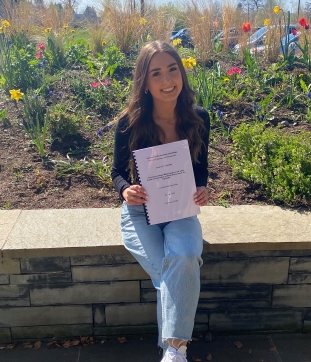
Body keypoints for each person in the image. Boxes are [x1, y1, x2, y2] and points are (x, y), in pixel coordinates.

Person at [111, 40, 210, 362]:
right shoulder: (129, 122)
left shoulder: (198, 118)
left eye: (172, 70)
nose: (167, 81)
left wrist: (202, 189)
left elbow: (200, 170)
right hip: (141, 212)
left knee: (185, 255)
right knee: (175, 270)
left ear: (181, 73)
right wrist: (126, 190)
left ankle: (173, 350)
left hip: (179, 210)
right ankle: (175, 350)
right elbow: (116, 172)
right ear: (145, 83)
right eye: (157, 74)